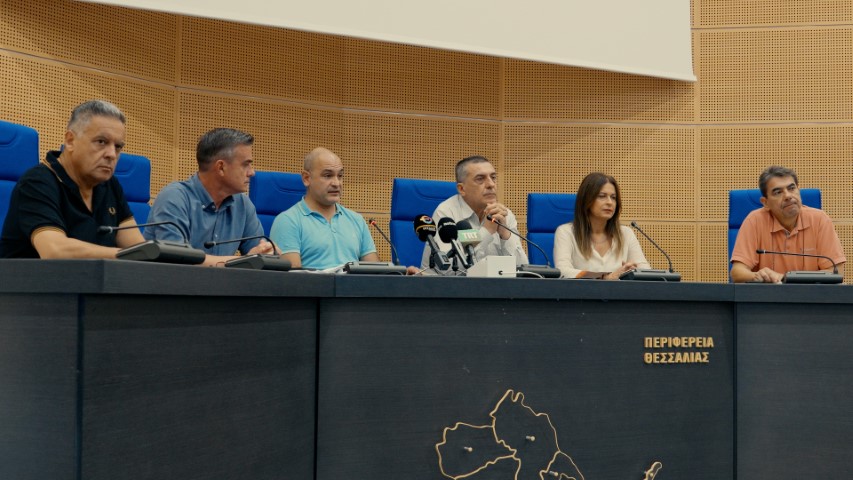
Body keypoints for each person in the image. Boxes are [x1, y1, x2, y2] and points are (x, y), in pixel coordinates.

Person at [0, 99, 145, 258]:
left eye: (118, 147)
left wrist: (150, 254)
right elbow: (55, 251)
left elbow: (139, 248)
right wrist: (130, 255)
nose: (111, 154)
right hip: (36, 275)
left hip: (94, 274)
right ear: (70, 141)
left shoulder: (110, 185)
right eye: (101, 142)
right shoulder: (36, 182)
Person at [144, 128, 274, 266]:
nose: (252, 172)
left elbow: (259, 254)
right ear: (221, 167)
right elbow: (177, 261)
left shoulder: (243, 204)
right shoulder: (174, 198)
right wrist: (244, 261)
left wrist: (269, 252)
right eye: (245, 164)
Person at [730, 165, 845, 283]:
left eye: (791, 188)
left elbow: (836, 272)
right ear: (765, 203)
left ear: (798, 190)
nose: (788, 196)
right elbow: (737, 273)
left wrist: (785, 278)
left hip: (812, 293)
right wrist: (758, 276)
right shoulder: (754, 221)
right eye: (778, 192)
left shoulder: (820, 220)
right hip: (769, 293)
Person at [270, 147, 379, 269]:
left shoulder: (357, 220)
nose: (336, 183)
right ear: (306, 178)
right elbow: (292, 277)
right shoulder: (287, 221)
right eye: (328, 176)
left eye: (340, 176)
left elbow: (374, 273)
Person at [421, 155, 528, 273]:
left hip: (492, 284)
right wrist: (486, 231)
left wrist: (505, 235)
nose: (491, 184)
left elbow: (524, 270)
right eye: (480, 179)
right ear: (461, 189)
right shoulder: (446, 214)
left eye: (493, 177)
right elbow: (449, 270)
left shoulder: (503, 214)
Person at [553, 172, 649, 279]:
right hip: (580, 290)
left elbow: (645, 271)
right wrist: (606, 277)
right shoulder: (566, 232)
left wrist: (632, 270)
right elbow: (563, 271)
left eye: (613, 197)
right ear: (587, 200)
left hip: (619, 290)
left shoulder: (626, 233)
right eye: (602, 196)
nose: (609, 202)